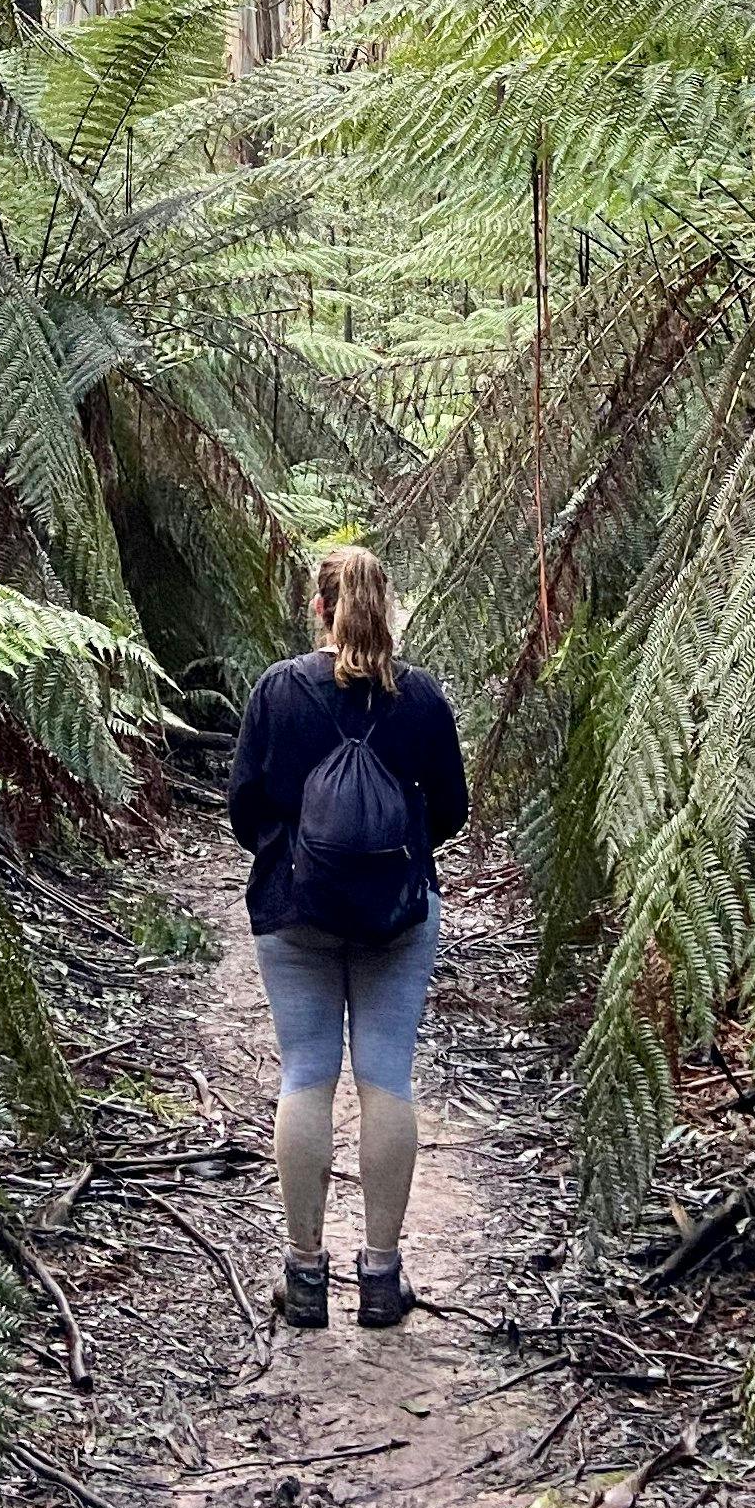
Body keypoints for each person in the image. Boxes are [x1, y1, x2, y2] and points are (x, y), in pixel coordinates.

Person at [226, 544, 469, 1330]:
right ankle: (380, 1276)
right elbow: (452, 811)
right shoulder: (422, 698)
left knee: (305, 1074)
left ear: (320, 607)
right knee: (385, 1077)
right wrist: (393, 853)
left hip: (294, 911)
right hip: (397, 915)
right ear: (383, 606)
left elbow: (243, 807)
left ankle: (303, 1278)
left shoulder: (276, 690)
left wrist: (298, 847)